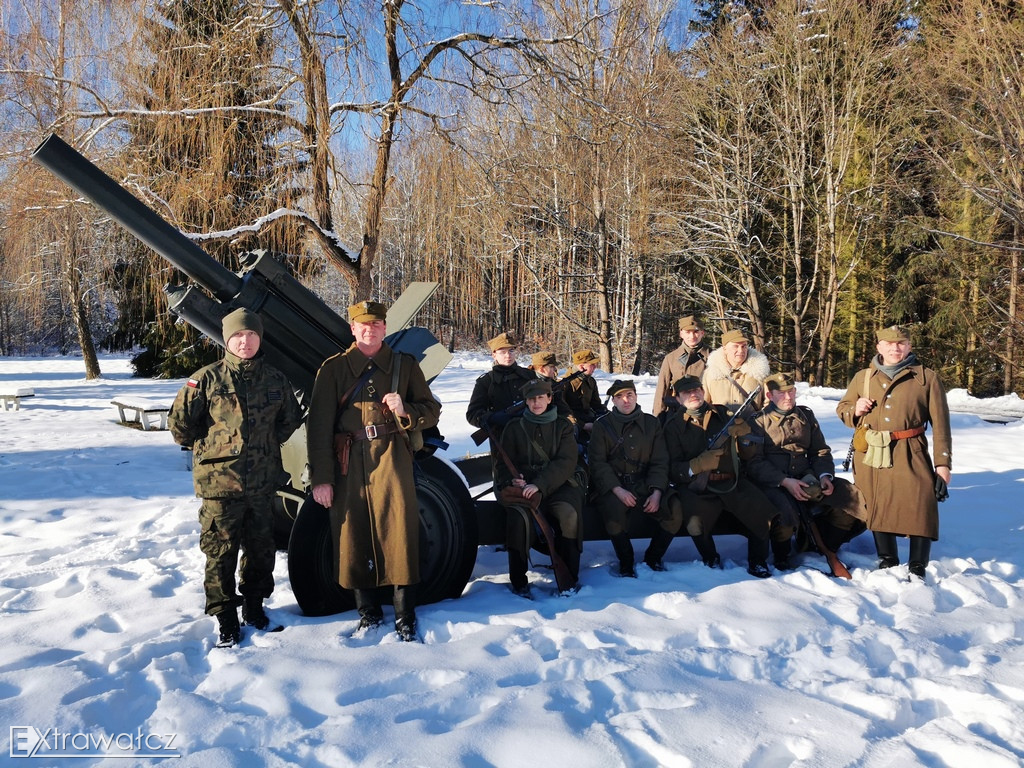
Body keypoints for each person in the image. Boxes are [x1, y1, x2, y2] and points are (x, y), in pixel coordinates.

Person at [306, 300, 441, 641]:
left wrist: (405, 408)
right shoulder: (334, 369)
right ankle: (368, 613)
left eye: (376, 325)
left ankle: (404, 615)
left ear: (384, 328)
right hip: (348, 463)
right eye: (363, 325)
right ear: (353, 329)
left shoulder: (403, 365)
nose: (370, 330)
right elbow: (319, 427)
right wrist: (322, 478)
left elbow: (431, 409)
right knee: (353, 534)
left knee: (400, 532)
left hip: (393, 458)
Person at [168, 308, 303, 648]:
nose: (245, 342)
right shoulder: (206, 380)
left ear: (260, 338)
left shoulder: (275, 380)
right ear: (227, 339)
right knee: (220, 551)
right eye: (238, 336)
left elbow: (289, 421)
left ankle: (255, 608)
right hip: (220, 485)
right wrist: (213, 447)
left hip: (261, 483)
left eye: (252, 335)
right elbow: (180, 426)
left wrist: (264, 448)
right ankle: (226, 617)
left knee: (261, 549)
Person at [836, 325, 952, 580]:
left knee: (922, 503)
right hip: (871, 453)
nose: (895, 348)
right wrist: (855, 409)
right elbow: (843, 409)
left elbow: (941, 424)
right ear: (879, 347)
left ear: (909, 347)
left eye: (900, 344)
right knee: (879, 504)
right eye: (889, 344)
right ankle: (887, 560)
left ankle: (918, 564)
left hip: (911, 449)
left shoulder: (926, 378)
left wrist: (943, 464)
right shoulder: (863, 377)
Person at [746, 373, 867, 572]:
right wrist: (785, 481)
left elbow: (820, 451)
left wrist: (824, 476)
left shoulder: (806, 416)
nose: (788, 397)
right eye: (781, 393)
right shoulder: (758, 422)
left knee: (850, 497)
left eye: (791, 391)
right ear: (769, 395)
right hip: (775, 482)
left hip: (808, 477)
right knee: (784, 515)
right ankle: (782, 556)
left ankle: (824, 546)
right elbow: (754, 463)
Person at [662, 375, 775, 578]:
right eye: (687, 392)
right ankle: (710, 558)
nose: (693, 394)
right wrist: (696, 466)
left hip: (732, 482)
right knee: (695, 524)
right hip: (698, 488)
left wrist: (745, 438)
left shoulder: (724, 414)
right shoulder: (673, 427)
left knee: (762, 513)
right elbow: (671, 468)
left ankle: (758, 561)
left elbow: (749, 455)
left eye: (697, 389)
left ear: (703, 391)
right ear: (678, 399)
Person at [495, 379, 584, 597]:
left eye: (541, 398)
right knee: (518, 519)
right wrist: (512, 481)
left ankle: (569, 578)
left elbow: (566, 462)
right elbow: (502, 463)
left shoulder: (563, 426)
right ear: (526, 401)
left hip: (559, 485)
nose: (537, 403)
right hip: (524, 488)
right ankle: (518, 581)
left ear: (549, 399)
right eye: (532, 399)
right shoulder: (514, 428)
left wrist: (540, 485)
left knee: (569, 515)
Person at [588, 379, 682, 576]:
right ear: (613, 401)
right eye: (620, 397)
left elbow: (660, 460)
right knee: (614, 514)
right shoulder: (602, 426)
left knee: (674, 510)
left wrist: (656, 492)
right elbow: (598, 463)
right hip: (615, 486)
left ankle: (653, 558)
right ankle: (626, 561)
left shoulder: (651, 423)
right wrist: (618, 490)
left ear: (636, 396)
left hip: (645, 483)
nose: (626, 400)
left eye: (629, 395)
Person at [466, 332, 536, 486]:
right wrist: (493, 417)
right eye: (502, 352)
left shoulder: (529, 376)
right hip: (503, 443)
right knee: (508, 485)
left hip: (533, 438)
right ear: (494, 355)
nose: (508, 356)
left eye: (511, 351)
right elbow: (473, 414)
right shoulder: (486, 382)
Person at [652, 315, 711, 419]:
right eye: (688, 332)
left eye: (696, 332)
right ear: (681, 334)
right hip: (678, 414)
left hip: (706, 413)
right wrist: (658, 418)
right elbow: (662, 389)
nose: (692, 336)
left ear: (702, 333)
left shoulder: (713, 357)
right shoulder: (671, 358)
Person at [702, 328, 771, 413]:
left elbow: (769, 403)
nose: (741, 350)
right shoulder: (711, 374)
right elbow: (704, 404)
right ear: (725, 349)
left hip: (753, 425)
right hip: (722, 425)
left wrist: (760, 421)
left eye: (744, 346)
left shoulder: (760, 373)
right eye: (735, 346)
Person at [560, 348, 608, 446]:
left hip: (588, 417)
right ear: (582, 366)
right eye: (592, 365)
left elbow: (597, 405)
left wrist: (609, 416)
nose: (595, 367)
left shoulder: (591, 381)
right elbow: (563, 412)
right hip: (572, 422)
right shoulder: (564, 384)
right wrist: (583, 426)